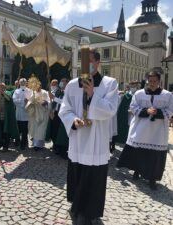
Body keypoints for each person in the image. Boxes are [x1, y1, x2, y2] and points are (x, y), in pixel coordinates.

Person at [59, 50, 118, 224]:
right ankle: (76, 206)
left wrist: (92, 94)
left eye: (90, 61)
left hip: (97, 140)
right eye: (84, 62)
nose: (86, 66)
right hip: (78, 140)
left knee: (94, 176)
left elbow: (110, 109)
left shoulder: (109, 83)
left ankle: (90, 211)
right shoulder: (71, 85)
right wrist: (72, 120)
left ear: (98, 62)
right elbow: (65, 108)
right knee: (77, 173)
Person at [117, 71, 173, 190]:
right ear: (147, 81)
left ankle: (152, 178)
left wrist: (157, 112)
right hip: (141, 128)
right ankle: (137, 171)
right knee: (139, 152)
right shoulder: (139, 93)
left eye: (155, 81)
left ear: (159, 82)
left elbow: (170, 110)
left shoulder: (167, 95)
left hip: (157, 131)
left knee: (154, 156)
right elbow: (132, 107)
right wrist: (146, 111)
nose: (152, 84)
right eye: (150, 81)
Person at [112, 81, 139, 148]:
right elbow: (122, 106)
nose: (133, 87)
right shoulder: (126, 95)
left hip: (135, 115)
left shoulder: (139, 94)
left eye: (134, 85)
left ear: (137, 86)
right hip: (127, 116)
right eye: (131, 85)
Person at [47, 78, 69, 157]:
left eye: (63, 81)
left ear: (67, 83)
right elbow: (54, 102)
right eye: (61, 81)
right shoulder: (58, 91)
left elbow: (64, 102)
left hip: (63, 114)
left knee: (61, 133)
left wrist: (54, 98)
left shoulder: (68, 92)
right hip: (55, 113)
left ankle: (62, 149)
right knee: (54, 130)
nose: (61, 83)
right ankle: (56, 145)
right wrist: (52, 110)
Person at [26, 82, 50, 151]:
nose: (37, 87)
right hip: (35, 113)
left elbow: (48, 102)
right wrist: (29, 103)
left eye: (38, 86)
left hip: (43, 113)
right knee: (35, 129)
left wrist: (44, 103)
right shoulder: (33, 93)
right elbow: (30, 101)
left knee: (41, 130)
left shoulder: (44, 92)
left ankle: (39, 145)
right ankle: (35, 143)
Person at [12, 78, 31, 150]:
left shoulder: (29, 91)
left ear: (26, 83)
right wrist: (23, 101)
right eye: (21, 82)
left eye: (24, 82)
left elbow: (32, 100)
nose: (23, 83)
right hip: (19, 112)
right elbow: (14, 100)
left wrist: (28, 102)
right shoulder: (16, 91)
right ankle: (17, 141)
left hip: (26, 113)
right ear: (19, 83)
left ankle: (24, 143)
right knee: (18, 128)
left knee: (25, 129)